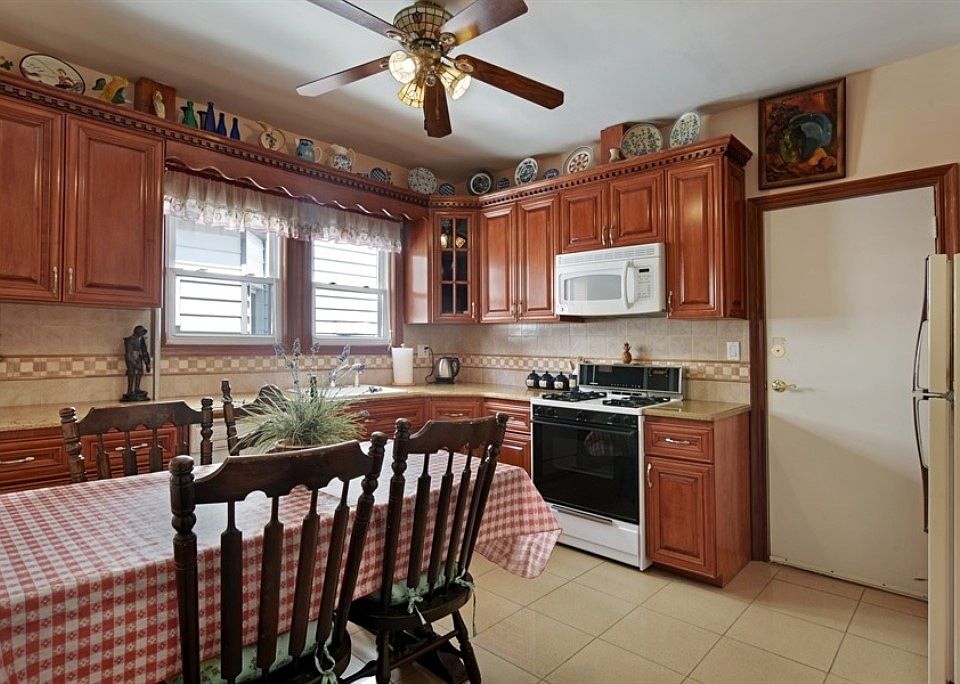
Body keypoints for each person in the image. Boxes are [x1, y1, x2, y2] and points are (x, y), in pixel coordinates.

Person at [122, 325, 151, 401]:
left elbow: (144, 351)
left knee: (140, 372)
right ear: (137, 332)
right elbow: (128, 355)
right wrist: (134, 363)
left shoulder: (141, 340)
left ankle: (137, 388)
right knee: (131, 374)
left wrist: (147, 363)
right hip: (131, 357)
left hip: (138, 357)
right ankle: (130, 391)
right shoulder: (130, 340)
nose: (142, 334)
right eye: (141, 332)